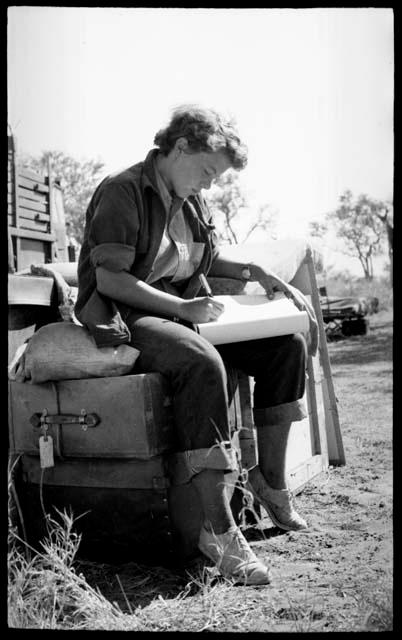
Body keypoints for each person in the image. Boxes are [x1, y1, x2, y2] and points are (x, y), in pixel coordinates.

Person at [75, 104, 318, 586]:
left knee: (285, 347)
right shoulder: (123, 190)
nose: (210, 184)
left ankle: (270, 483)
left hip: (185, 315)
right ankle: (217, 528)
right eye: (207, 171)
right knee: (202, 361)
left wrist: (255, 273)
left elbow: (208, 257)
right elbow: (110, 278)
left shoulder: (191, 200)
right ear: (180, 148)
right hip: (129, 316)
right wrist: (184, 311)